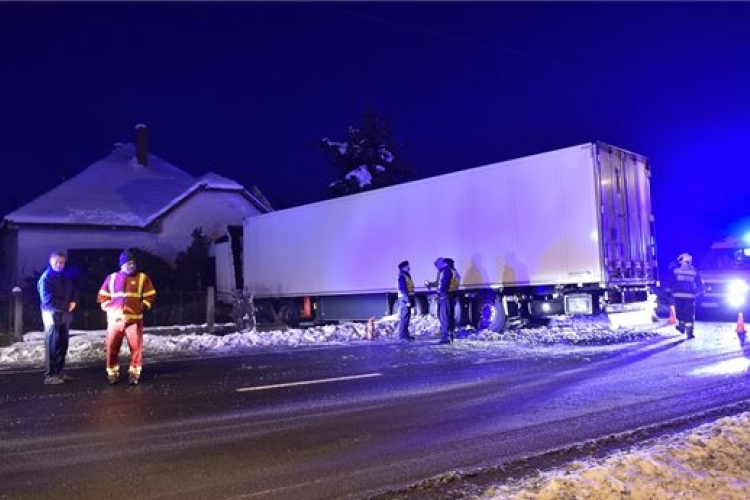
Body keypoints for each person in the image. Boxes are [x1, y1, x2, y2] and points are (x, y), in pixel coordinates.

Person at [97, 250, 156, 385]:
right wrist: (107, 307)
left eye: (133, 263)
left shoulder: (143, 278)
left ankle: (135, 373)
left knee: (136, 348)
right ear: (121, 265)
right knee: (112, 347)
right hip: (115, 320)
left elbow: (150, 294)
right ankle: (112, 373)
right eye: (128, 263)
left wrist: (144, 305)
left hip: (134, 320)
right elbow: (102, 296)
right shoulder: (111, 278)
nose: (132, 266)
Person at [38, 250, 79, 385]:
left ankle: (60, 371)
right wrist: (68, 306)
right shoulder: (46, 278)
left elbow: (74, 290)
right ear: (51, 262)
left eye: (62, 262)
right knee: (52, 345)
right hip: (52, 315)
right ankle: (50, 375)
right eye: (57, 262)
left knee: (63, 344)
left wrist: (74, 301)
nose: (59, 265)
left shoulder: (65, 276)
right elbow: (48, 301)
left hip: (64, 316)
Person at [669, 252, 704, 339]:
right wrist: (701, 290)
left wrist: (668, 290)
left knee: (681, 312)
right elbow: (699, 282)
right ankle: (689, 333)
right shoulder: (694, 271)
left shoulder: (676, 271)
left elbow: (671, 281)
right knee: (689, 314)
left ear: (682, 261)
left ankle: (682, 327)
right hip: (690, 296)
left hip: (679, 296)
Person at [426, 257, 459, 344]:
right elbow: (439, 283)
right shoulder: (453, 271)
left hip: (445, 297)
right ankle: (451, 335)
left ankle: (445, 337)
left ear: (444, 263)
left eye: (437, 265)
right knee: (449, 317)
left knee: (444, 317)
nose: (437, 267)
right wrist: (430, 284)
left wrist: (438, 295)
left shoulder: (446, 271)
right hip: (451, 297)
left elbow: (444, 285)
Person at [396, 260, 415, 342]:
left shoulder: (406, 275)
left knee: (407, 318)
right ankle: (402, 336)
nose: (409, 267)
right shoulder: (402, 276)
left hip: (408, 298)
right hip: (404, 299)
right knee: (404, 318)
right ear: (403, 268)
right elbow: (403, 289)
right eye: (407, 266)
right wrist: (407, 300)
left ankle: (406, 335)